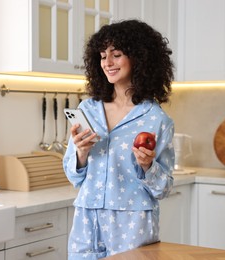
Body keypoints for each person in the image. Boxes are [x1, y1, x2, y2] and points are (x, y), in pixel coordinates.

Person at [63, 19, 175, 259]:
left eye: (116, 54)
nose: (107, 63)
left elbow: (163, 188)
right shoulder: (88, 109)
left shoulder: (156, 119)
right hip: (87, 217)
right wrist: (80, 153)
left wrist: (148, 166)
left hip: (132, 220)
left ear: (139, 58)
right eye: (103, 56)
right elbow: (73, 175)